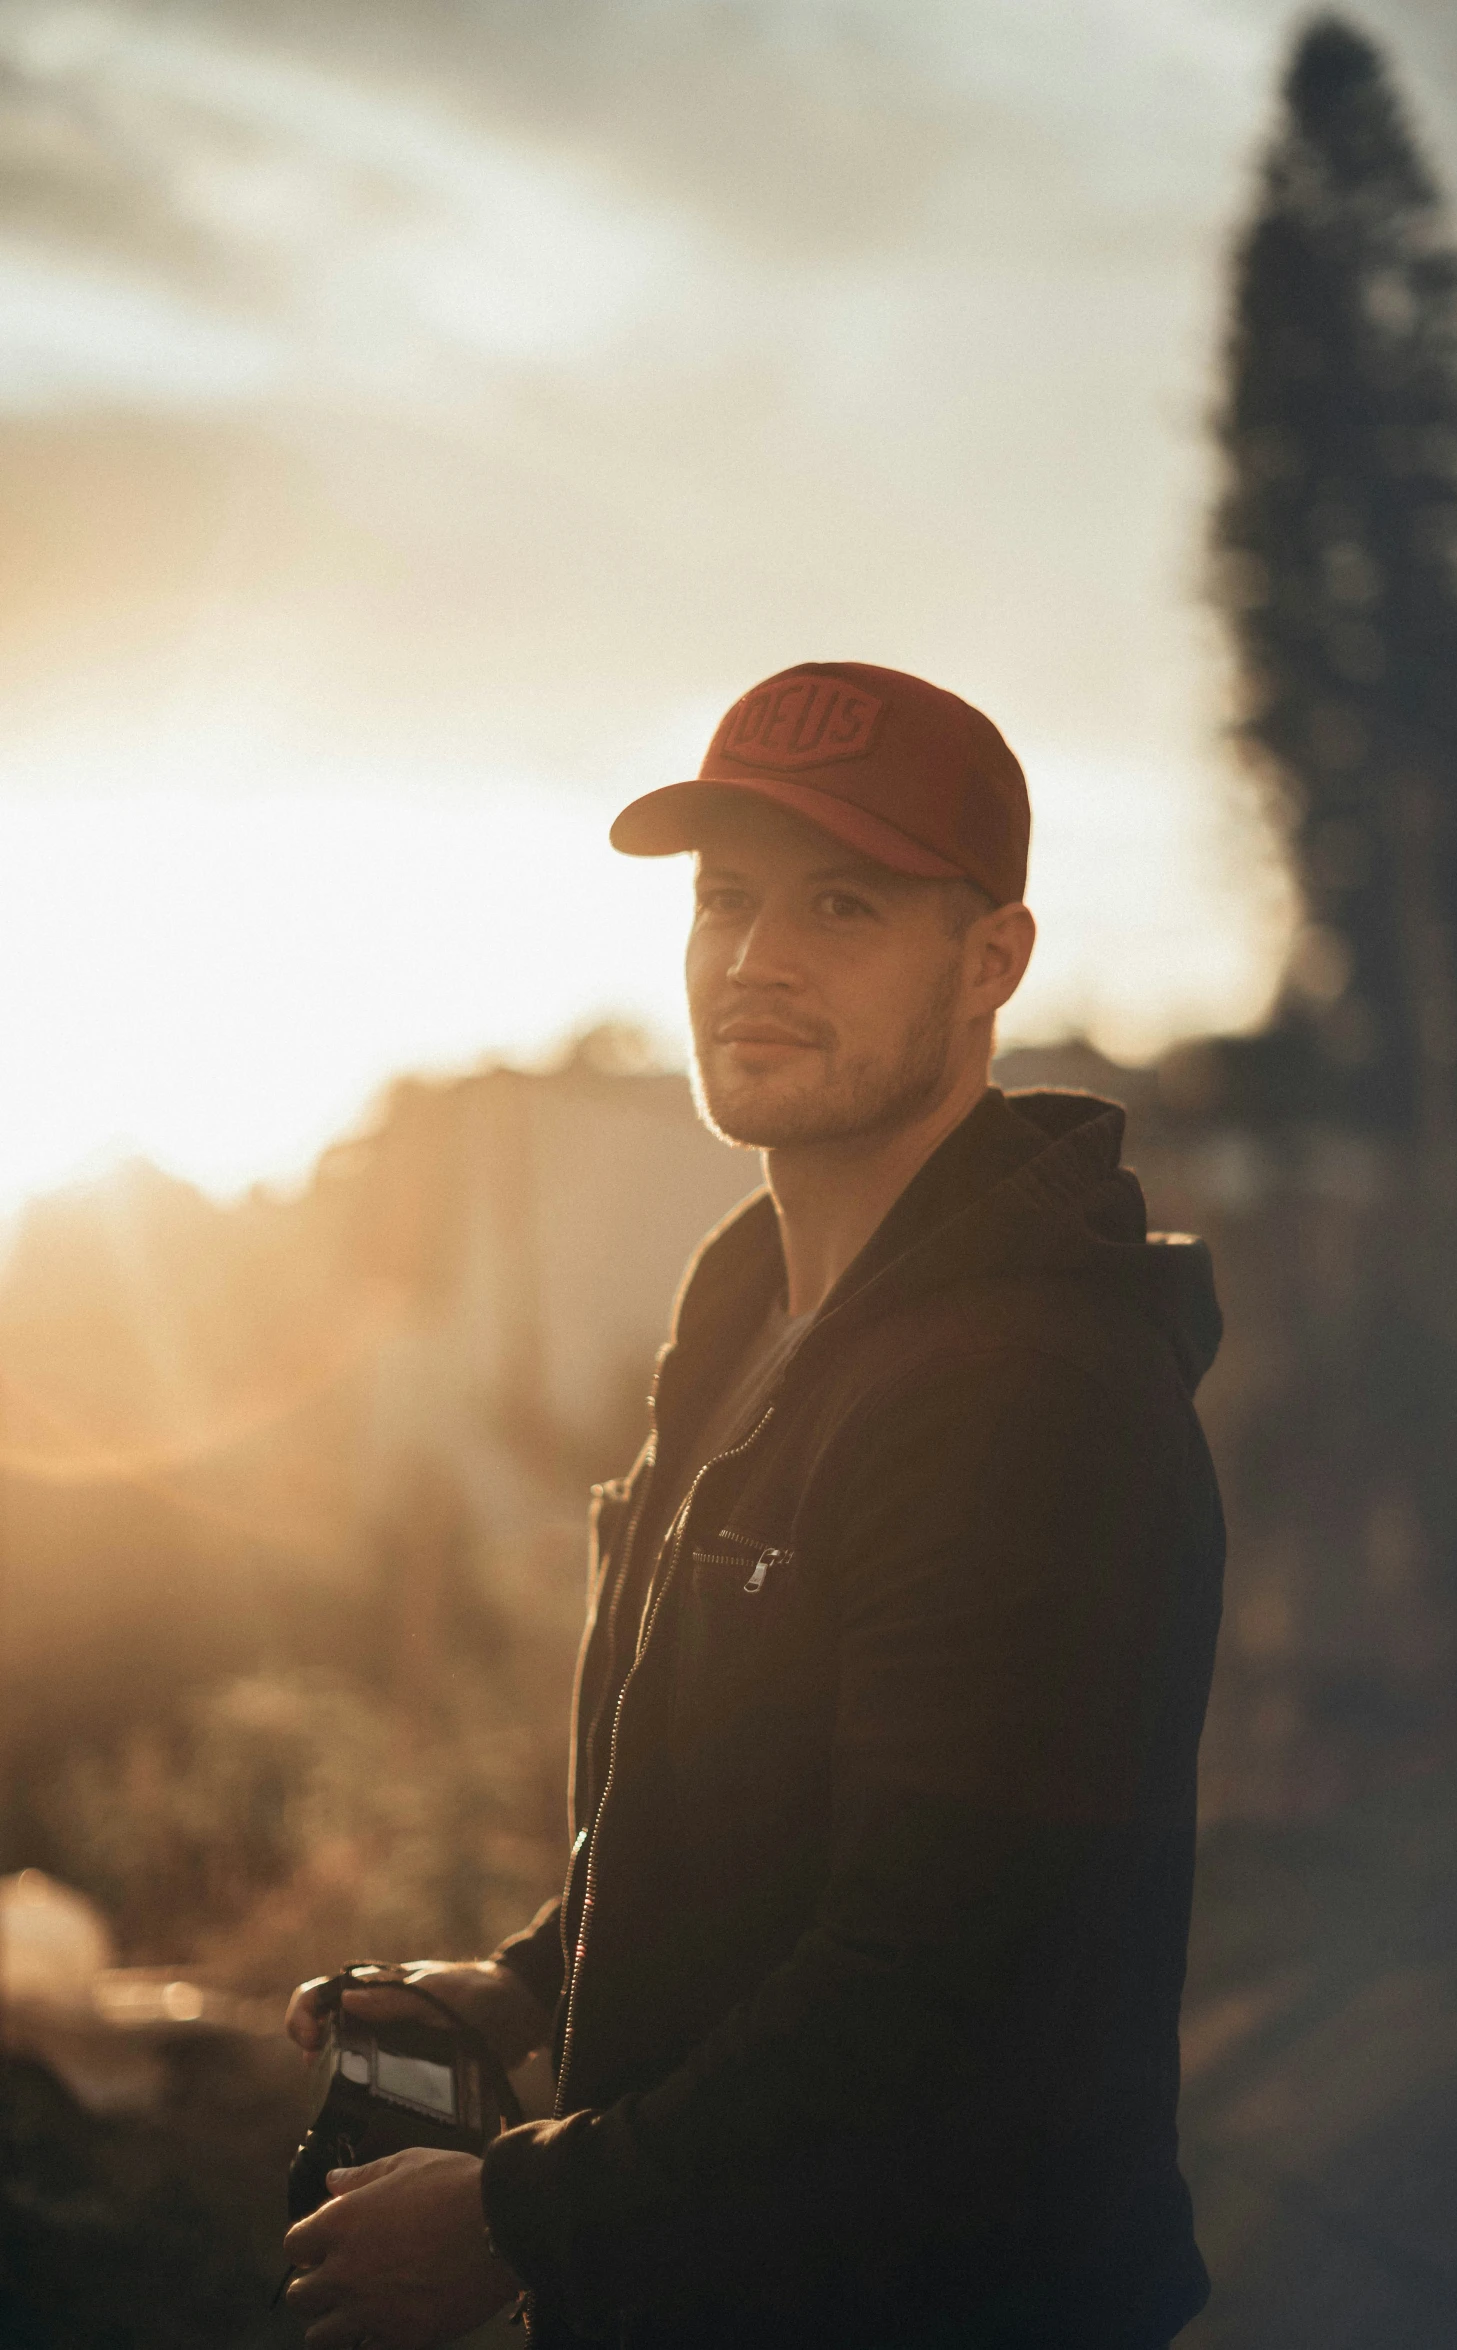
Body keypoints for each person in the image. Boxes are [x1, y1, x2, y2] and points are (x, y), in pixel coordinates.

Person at [284, 662, 1225, 2350]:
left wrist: (518, 2219)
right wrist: (537, 1972)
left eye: (843, 902)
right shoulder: (745, 1312)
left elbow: (940, 1982)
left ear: (989, 959)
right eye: (726, 897)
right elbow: (756, 1781)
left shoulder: (1024, 1392)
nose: (755, 957)